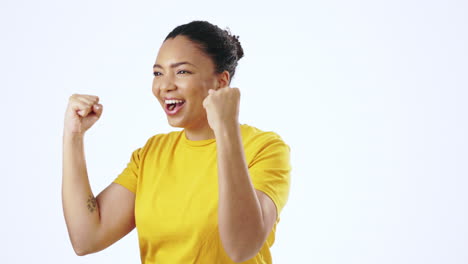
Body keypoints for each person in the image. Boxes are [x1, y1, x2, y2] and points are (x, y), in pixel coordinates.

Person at [62, 20, 291, 264]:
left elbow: (241, 248)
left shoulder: (265, 148)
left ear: (221, 82)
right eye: (158, 73)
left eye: (182, 71)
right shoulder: (152, 154)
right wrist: (73, 135)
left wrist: (226, 128)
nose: (165, 86)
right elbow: (86, 238)